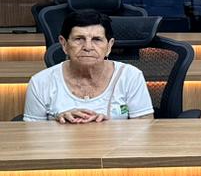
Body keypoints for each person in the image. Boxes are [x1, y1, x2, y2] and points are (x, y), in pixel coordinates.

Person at [24, 11, 154, 122]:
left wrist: (109, 126)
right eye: (79, 39)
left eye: (97, 39)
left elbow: (144, 128)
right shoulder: (40, 82)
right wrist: (58, 121)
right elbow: (32, 134)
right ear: (64, 44)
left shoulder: (130, 76)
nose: (88, 47)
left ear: (109, 46)